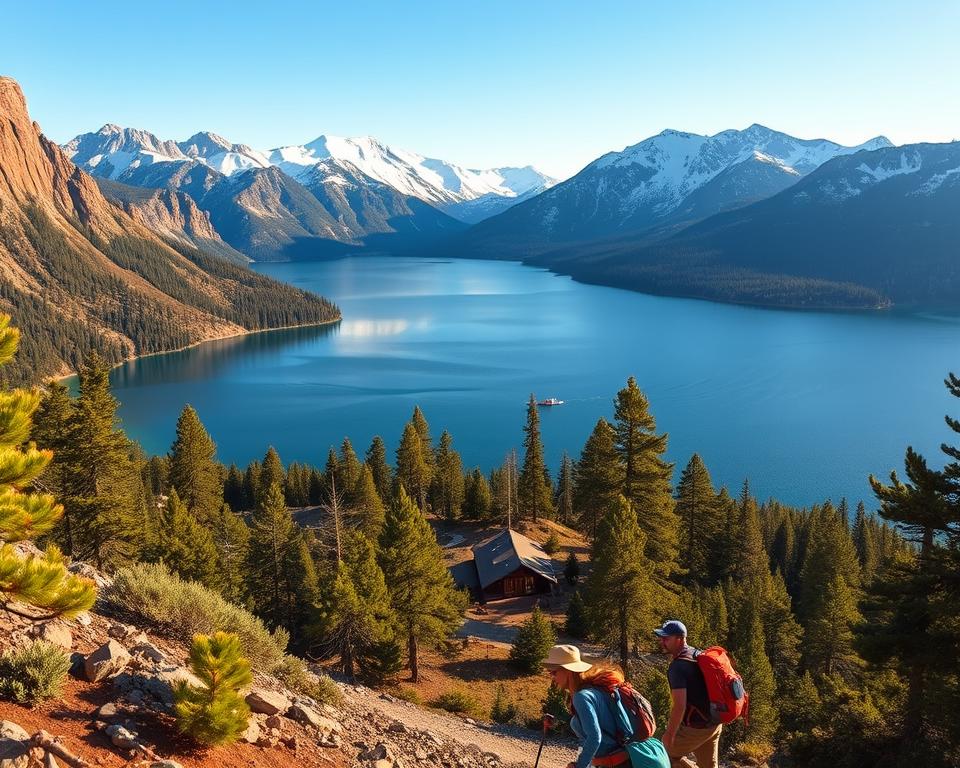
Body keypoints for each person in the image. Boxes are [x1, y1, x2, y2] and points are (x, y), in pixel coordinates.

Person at [544, 644, 669, 768]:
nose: (552, 677)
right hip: (629, 760)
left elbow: (594, 737)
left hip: (620, 763)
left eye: (554, 672)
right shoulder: (594, 690)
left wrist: (580, 766)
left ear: (569, 671)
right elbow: (599, 723)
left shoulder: (581, 697)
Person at [654, 620, 722, 768]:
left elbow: (679, 706)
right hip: (714, 722)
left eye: (666, 638)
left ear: (680, 639)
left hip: (696, 728)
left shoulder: (677, 667)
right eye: (661, 638)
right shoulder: (697, 653)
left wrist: (670, 734)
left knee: (662, 756)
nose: (662, 641)